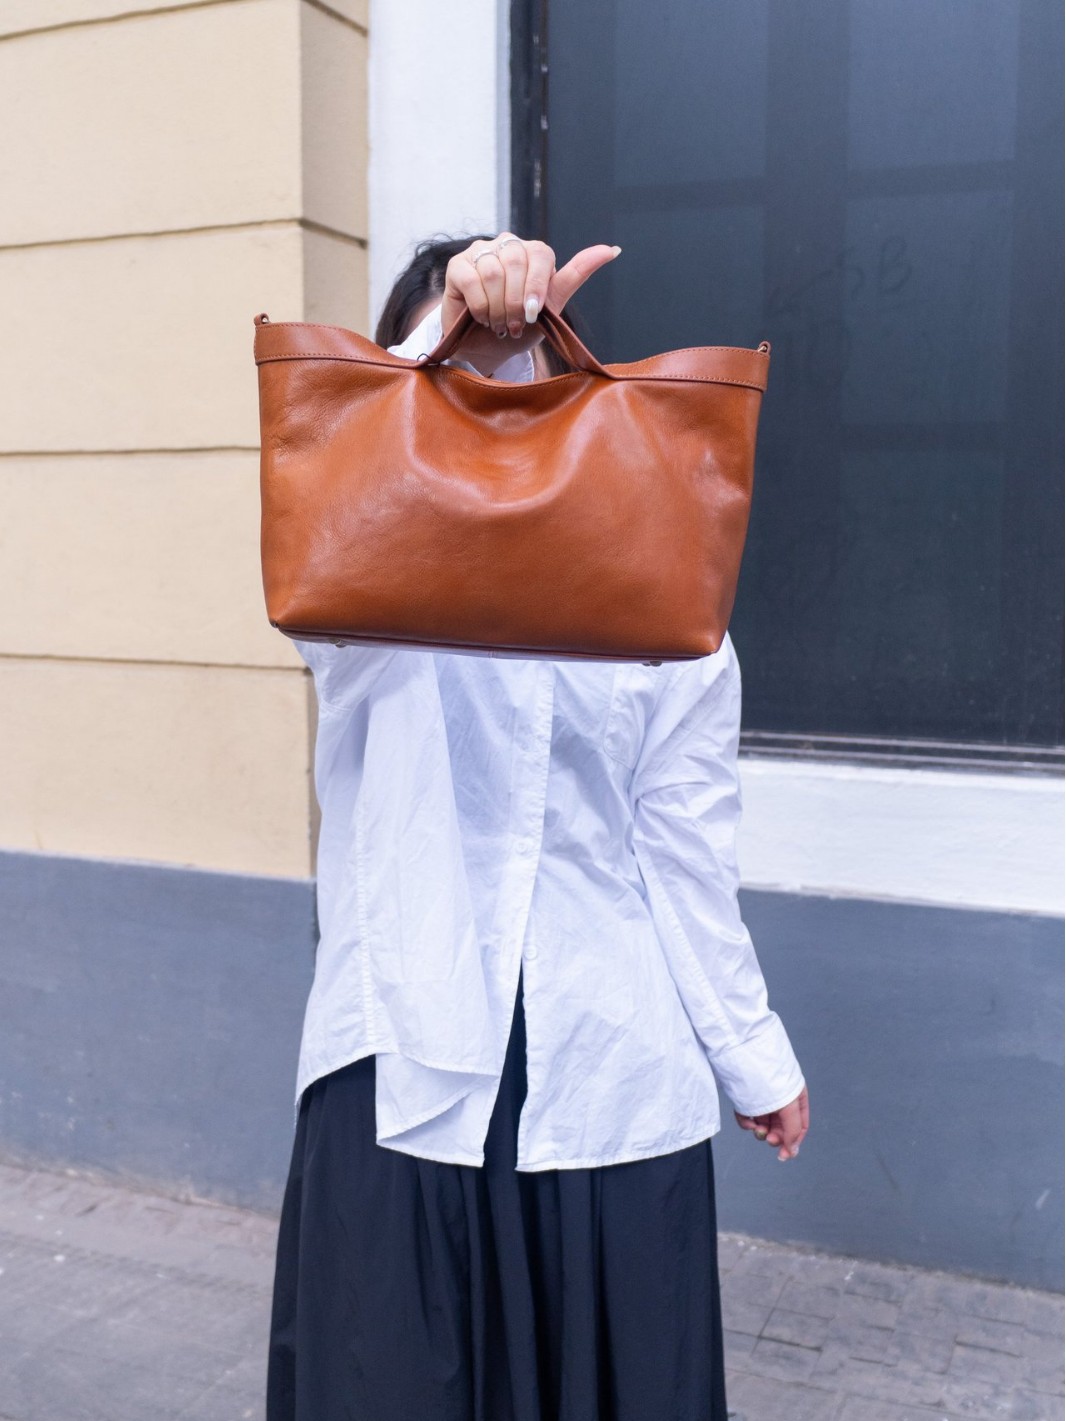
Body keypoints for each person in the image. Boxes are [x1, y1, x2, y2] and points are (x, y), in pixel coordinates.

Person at [265, 231, 810, 1421]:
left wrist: (750, 1049)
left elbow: (683, 846)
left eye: (514, 375)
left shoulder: (668, 589)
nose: (490, 400)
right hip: (398, 1065)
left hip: (613, 1075)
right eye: (454, 379)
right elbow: (329, 528)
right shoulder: (359, 575)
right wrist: (451, 332)